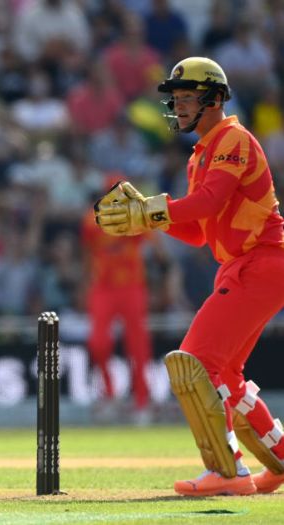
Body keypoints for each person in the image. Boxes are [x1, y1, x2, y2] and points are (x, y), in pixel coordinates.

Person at [94, 57, 284, 496]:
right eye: (175, 100)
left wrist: (151, 210)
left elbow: (208, 201)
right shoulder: (203, 152)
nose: (177, 107)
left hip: (261, 261)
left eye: (186, 98)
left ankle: (229, 470)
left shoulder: (232, 139)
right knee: (228, 374)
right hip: (253, 264)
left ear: (214, 99)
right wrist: (150, 218)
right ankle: (278, 456)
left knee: (197, 362)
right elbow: (200, 231)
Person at [80, 191, 154, 425]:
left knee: (138, 345)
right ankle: (109, 395)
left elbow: (153, 243)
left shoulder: (135, 216)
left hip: (132, 286)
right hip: (103, 287)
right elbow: (86, 252)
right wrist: (86, 284)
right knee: (98, 342)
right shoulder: (91, 220)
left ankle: (142, 402)